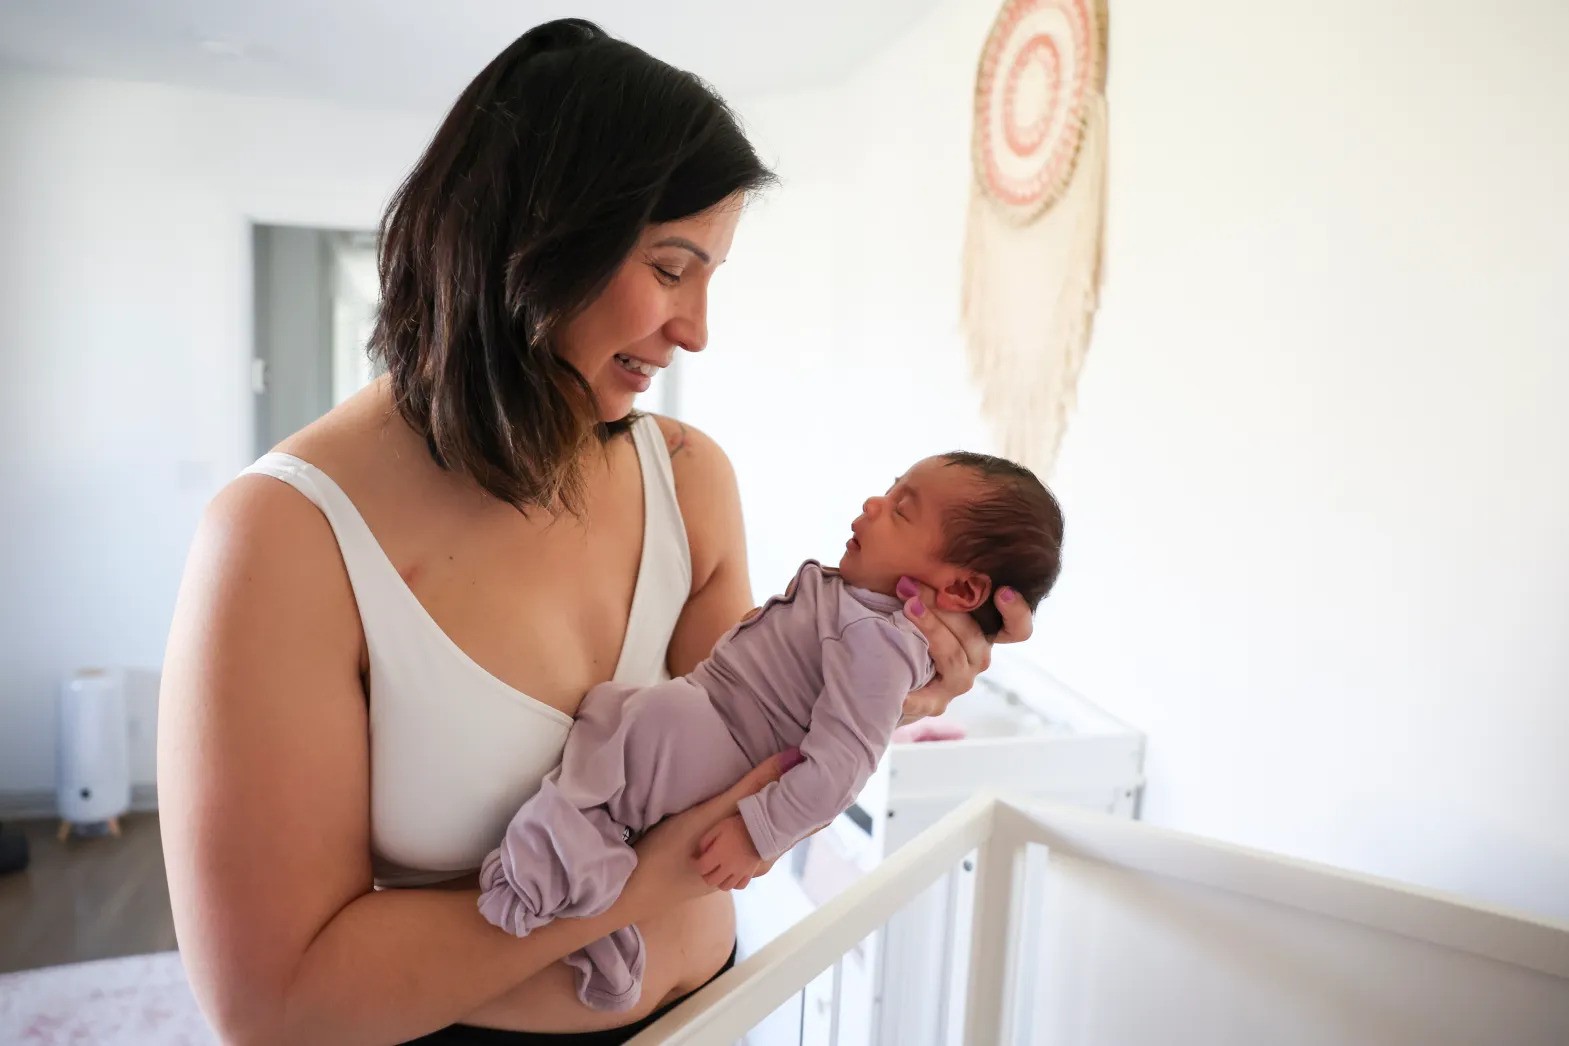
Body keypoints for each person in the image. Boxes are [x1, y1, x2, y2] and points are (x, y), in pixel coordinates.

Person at [157, 18, 1034, 1046]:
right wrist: (633, 889)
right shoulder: (283, 539)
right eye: (671, 267)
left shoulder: (688, 478)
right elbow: (273, 1003)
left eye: (712, 273)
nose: (698, 326)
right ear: (533, 239)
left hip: (720, 1003)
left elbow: (747, 755)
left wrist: (888, 679)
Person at [476, 453, 1064, 1013]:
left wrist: (760, 834)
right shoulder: (860, 605)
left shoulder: (882, 641)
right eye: (889, 491)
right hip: (707, 718)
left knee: (608, 769)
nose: (874, 503)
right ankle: (595, 923)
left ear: (961, 591)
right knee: (610, 738)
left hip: (716, 737)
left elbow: (840, 768)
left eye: (902, 510)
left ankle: (530, 886)